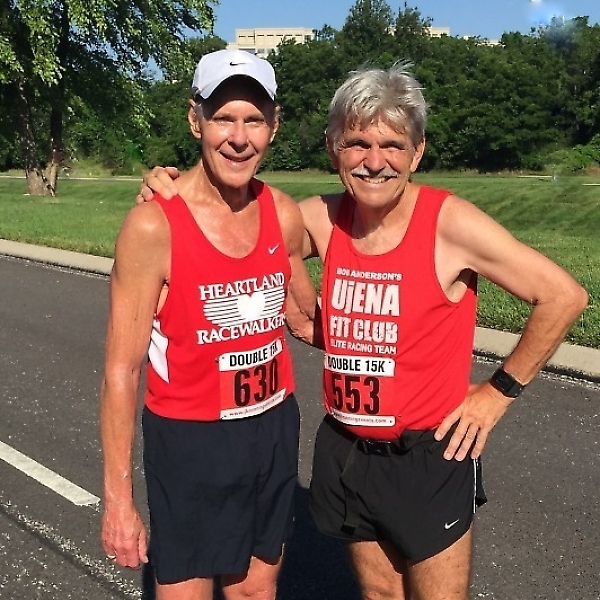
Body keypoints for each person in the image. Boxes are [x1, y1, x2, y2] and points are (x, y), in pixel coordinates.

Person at [139, 61, 588, 600]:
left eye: (393, 146)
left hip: (429, 454)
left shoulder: (449, 223)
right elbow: (232, 226)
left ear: (417, 153)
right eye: (357, 144)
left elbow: (562, 296)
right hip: (348, 450)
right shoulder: (322, 219)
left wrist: (498, 393)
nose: (375, 162)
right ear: (334, 151)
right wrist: (169, 189)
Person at [100, 48, 317, 600]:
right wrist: (119, 500)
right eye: (223, 118)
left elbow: (303, 317)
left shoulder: (283, 211)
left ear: (274, 126)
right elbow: (122, 371)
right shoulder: (153, 225)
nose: (239, 138)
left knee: (256, 591)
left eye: (254, 120)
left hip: (271, 427)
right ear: (195, 120)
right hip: (191, 439)